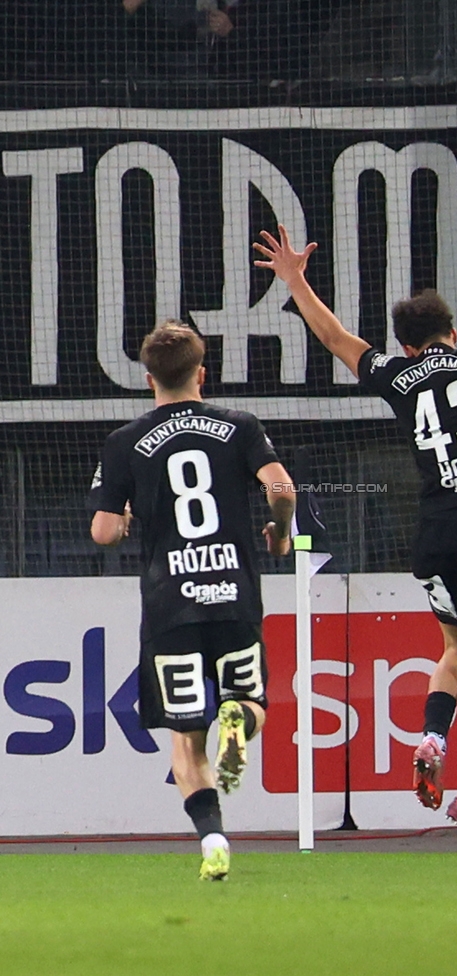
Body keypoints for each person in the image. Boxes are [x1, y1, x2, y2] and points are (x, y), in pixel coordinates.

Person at [253, 144, 457, 839]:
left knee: (455, 653)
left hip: (438, 530)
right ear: (449, 333)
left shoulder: (396, 376)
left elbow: (335, 337)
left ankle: (433, 740)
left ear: (408, 346)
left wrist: (295, 280)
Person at [89, 320, 295, 878]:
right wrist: (279, 529)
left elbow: (104, 532)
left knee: (186, 739)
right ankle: (236, 719)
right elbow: (280, 488)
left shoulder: (124, 441)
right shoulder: (239, 424)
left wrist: (127, 516)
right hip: (233, 595)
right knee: (250, 703)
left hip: (170, 605)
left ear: (149, 379)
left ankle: (212, 843)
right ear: (203, 374)